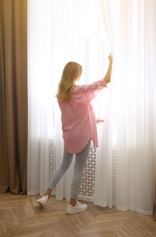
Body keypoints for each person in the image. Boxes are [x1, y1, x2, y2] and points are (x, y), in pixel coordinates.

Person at [37, 54, 113, 214]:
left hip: (69, 135)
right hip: (83, 136)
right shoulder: (80, 90)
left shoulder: (61, 95)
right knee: (78, 169)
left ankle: (46, 195)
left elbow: (75, 115)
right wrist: (111, 62)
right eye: (79, 73)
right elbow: (106, 80)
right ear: (75, 75)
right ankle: (72, 204)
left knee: (64, 165)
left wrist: (94, 119)